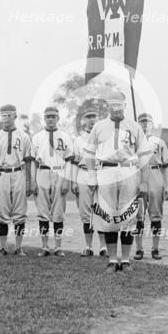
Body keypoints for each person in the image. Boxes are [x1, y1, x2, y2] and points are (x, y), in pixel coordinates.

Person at [83, 91, 151, 273]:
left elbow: (144, 156)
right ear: (108, 106)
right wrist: (91, 176)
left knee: (129, 216)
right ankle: (113, 260)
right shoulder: (99, 126)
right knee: (109, 215)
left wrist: (144, 181)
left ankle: (126, 260)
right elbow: (89, 153)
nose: (116, 108)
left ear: (125, 105)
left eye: (119, 104)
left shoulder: (134, 126)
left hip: (128, 171)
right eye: (112, 104)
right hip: (106, 171)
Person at [0, 104, 33, 256]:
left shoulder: (24, 136)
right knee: (2, 211)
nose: (5, 118)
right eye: (3, 115)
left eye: (8, 115)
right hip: (1, 174)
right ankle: (3, 247)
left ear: (15, 116)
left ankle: (19, 247)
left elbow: (28, 160)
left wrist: (28, 182)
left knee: (20, 212)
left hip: (18, 173)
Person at [30, 106, 74, 257]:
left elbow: (69, 160)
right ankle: (44, 246)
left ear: (58, 118)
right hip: (42, 171)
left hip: (59, 171)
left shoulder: (65, 136)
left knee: (58, 212)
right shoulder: (37, 137)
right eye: (48, 116)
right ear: (44, 118)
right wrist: (33, 182)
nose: (50, 119)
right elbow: (32, 162)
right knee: (43, 211)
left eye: (53, 117)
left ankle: (58, 246)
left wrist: (67, 180)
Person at [71, 106, 108, 257]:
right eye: (88, 117)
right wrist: (73, 181)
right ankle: (88, 246)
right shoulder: (79, 140)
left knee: (101, 211)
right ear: (83, 120)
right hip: (84, 173)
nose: (91, 119)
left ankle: (103, 246)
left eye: (94, 116)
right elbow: (74, 163)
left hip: (100, 174)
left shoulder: (104, 138)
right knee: (86, 213)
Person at [134, 113, 168, 261]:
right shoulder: (133, 141)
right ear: (138, 124)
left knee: (156, 214)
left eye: (147, 122)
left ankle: (155, 248)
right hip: (138, 175)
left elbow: (167, 165)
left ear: (152, 124)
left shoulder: (159, 142)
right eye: (141, 122)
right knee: (138, 215)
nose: (144, 124)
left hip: (155, 173)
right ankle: (139, 249)